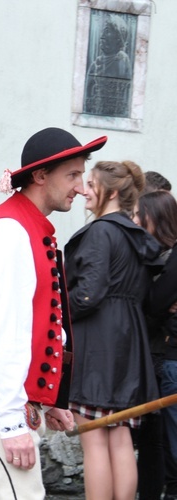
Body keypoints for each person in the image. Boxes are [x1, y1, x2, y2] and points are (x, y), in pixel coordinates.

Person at [0, 127, 105, 499]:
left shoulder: (27, 226)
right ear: (40, 176)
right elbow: (4, 334)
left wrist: (52, 399)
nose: (82, 188)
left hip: (1, 397)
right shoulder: (10, 231)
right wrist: (12, 424)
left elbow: (44, 327)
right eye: (72, 175)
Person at [64, 160, 162, 499]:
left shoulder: (102, 231)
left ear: (114, 192)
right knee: (119, 438)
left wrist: (59, 314)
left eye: (91, 185)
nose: (84, 191)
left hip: (98, 345)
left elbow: (88, 293)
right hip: (128, 344)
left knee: (94, 440)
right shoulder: (135, 236)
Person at [140, 190, 177, 500]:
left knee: (167, 445)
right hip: (162, 356)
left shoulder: (169, 258)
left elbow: (154, 305)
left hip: (168, 356)